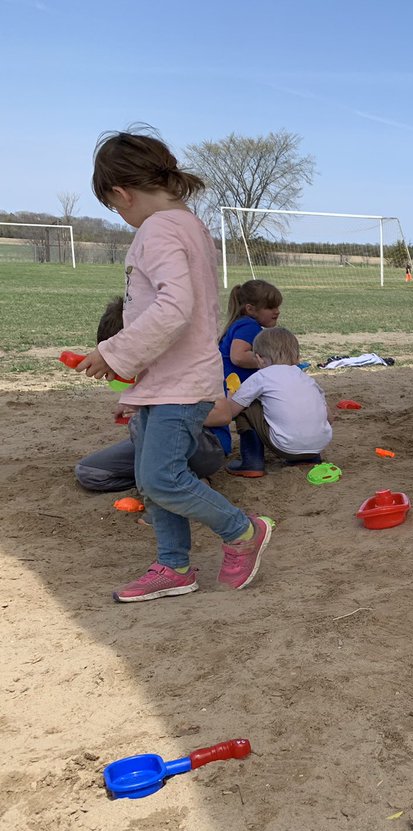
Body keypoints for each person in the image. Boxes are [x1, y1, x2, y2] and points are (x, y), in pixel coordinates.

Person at [75, 127, 272, 601]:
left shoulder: (158, 229)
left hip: (176, 382)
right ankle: (173, 565)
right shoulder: (190, 225)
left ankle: (243, 531)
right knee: (150, 477)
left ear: (121, 193)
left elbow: (173, 308)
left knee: (162, 478)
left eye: (116, 208)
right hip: (161, 378)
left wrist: (114, 352)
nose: (122, 217)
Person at [76, 296, 226, 492]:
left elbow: (223, 414)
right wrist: (136, 403)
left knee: (140, 422)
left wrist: (157, 410)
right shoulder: (145, 374)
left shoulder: (188, 363)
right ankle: (178, 481)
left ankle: (165, 490)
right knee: (89, 472)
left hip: (205, 446)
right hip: (163, 446)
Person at [205, 327, 332, 472]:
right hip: (318, 447)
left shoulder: (261, 376)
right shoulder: (308, 380)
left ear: (258, 358)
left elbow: (230, 412)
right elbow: (330, 417)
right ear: (297, 358)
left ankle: (251, 462)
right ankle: (309, 458)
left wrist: (231, 396)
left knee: (246, 403)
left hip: (287, 448)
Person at [218, 279, 283, 475]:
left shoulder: (242, 323)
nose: (277, 311)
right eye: (270, 307)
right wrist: (271, 362)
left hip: (229, 383)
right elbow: (238, 356)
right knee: (248, 414)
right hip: (236, 385)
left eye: (278, 306)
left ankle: (244, 454)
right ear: (251, 309)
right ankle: (251, 459)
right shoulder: (249, 326)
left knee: (235, 417)